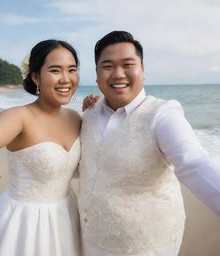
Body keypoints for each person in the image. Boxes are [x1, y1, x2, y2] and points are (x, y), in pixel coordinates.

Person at [78, 31, 220, 256]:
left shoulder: (162, 114)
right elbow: (86, 166)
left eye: (127, 64)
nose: (118, 74)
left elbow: (195, 164)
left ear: (142, 70)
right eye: (107, 66)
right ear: (96, 75)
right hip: (92, 239)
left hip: (147, 245)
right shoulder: (89, 114)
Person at [0, 39, 81, 256]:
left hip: (66, 216)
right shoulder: (19, 117)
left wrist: (99, 108)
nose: (66, 79)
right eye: (55, 70)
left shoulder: (76, 118)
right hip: (25, 223)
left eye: (72, 70)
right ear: (35, 76)